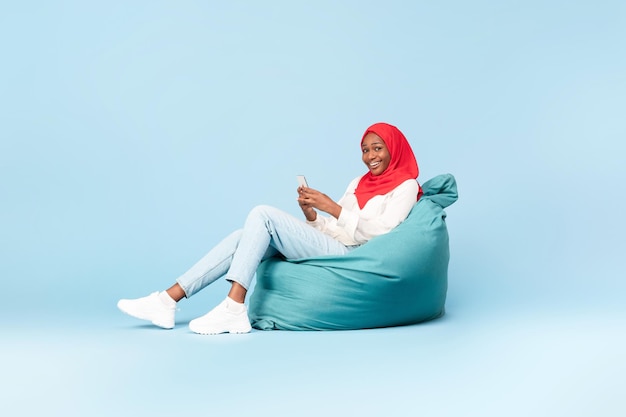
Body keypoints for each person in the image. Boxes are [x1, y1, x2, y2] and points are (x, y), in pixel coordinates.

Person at [117, 122, 423, 335]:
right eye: (365, 150)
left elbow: (383, 234)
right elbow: (337, 228)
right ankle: (167, 300)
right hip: (336, 244)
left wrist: (333, 207)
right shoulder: (358, 183)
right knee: (242, 237)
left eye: (377, 148)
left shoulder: (406, 185)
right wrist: (314, 217)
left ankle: (234, 305)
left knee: (263, 214)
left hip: (355, 256)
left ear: (393, 149)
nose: (370, 157)